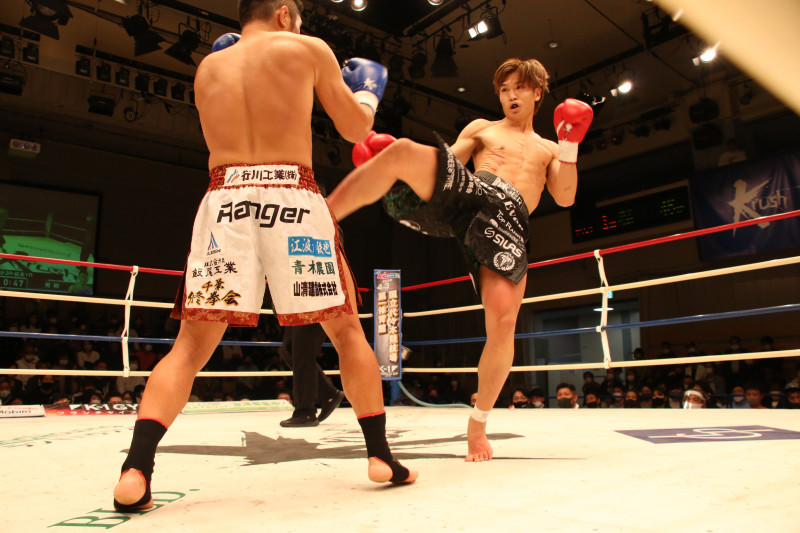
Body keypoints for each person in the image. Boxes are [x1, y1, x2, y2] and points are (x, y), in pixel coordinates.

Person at [112, 0, 417, 513]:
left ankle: (135, 469)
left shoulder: (209, 67)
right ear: (283, 13)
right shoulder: (307, 48)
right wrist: (366, 94)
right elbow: (355, 129)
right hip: (291, 196)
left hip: (224, 199)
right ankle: (380, 456)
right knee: (346, 333)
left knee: (189, 347)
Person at [327, 58, 592, 461]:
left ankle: (478, 424)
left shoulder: (551, 148)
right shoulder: (483, 129)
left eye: (519, 88)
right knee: (402, 151)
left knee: (503, 325)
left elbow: (567, 196)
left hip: (509, 221)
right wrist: (406, 174)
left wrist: (570, 145)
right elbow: (448, 166)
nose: (510, 96)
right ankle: (325, 214)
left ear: (537, 92)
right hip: (473, 192)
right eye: (504, 90)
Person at [279, 323, 346, 427]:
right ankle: (327, 392)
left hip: (311, 312)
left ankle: (305, 412)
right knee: (290, 348)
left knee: (302, 349)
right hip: (294, 312)